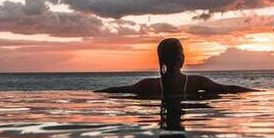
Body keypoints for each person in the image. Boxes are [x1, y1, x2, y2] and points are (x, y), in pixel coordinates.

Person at [97, 38, 255, 96]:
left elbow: (117, 90)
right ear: (182, 59)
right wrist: (257, 92)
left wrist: (96, 92)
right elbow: (229, 89)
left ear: (162, 60)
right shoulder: (195, 82)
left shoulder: (148, 84)